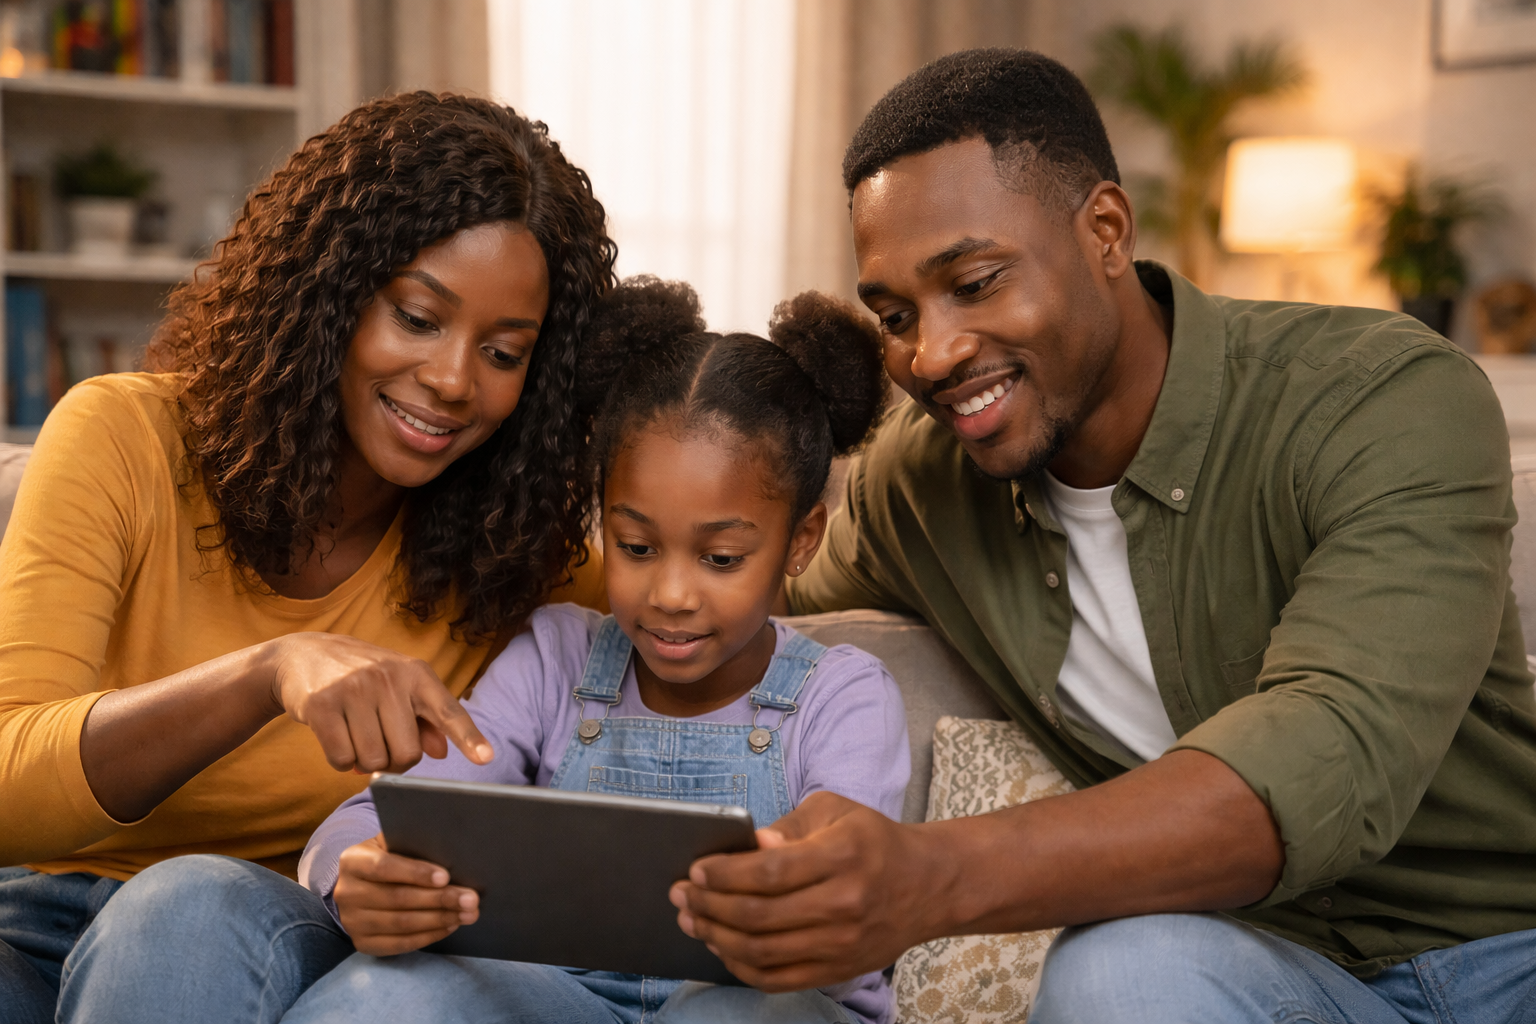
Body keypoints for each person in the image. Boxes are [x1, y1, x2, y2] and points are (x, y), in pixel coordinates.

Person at [666, 48, 1536, 1022]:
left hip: (1503, 953)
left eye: (978, 282)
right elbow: (733, 573)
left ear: (1107, 231)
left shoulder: (1384, 399)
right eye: (895, 313)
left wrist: (926, 877)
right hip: (1247, 968)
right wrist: (474, 614)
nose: (933, 352)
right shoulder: (925, 482)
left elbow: (1329, 750)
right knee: (1120, 973)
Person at [0, 92, 615, 1024]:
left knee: (185, 905)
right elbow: (8, 787)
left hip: (270, 931)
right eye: (417, 318)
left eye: (501, 351)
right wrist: (268, 672)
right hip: (34, 924)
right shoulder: (123, 438)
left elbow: (711, 583)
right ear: (327, 296)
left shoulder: (514, 545)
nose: (453, 380)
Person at [271, 278, 909, 1024]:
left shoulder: (843, 691)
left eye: (722, 559)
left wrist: (791, 860)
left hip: (764, 1007)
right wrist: (359, 874)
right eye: (636, 546)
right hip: (563, 1001)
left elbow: (846, 838)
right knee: (387, 992)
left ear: (801, 541)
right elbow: (393, 809)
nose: (671, 593)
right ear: (600, 518)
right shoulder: (555, 657)